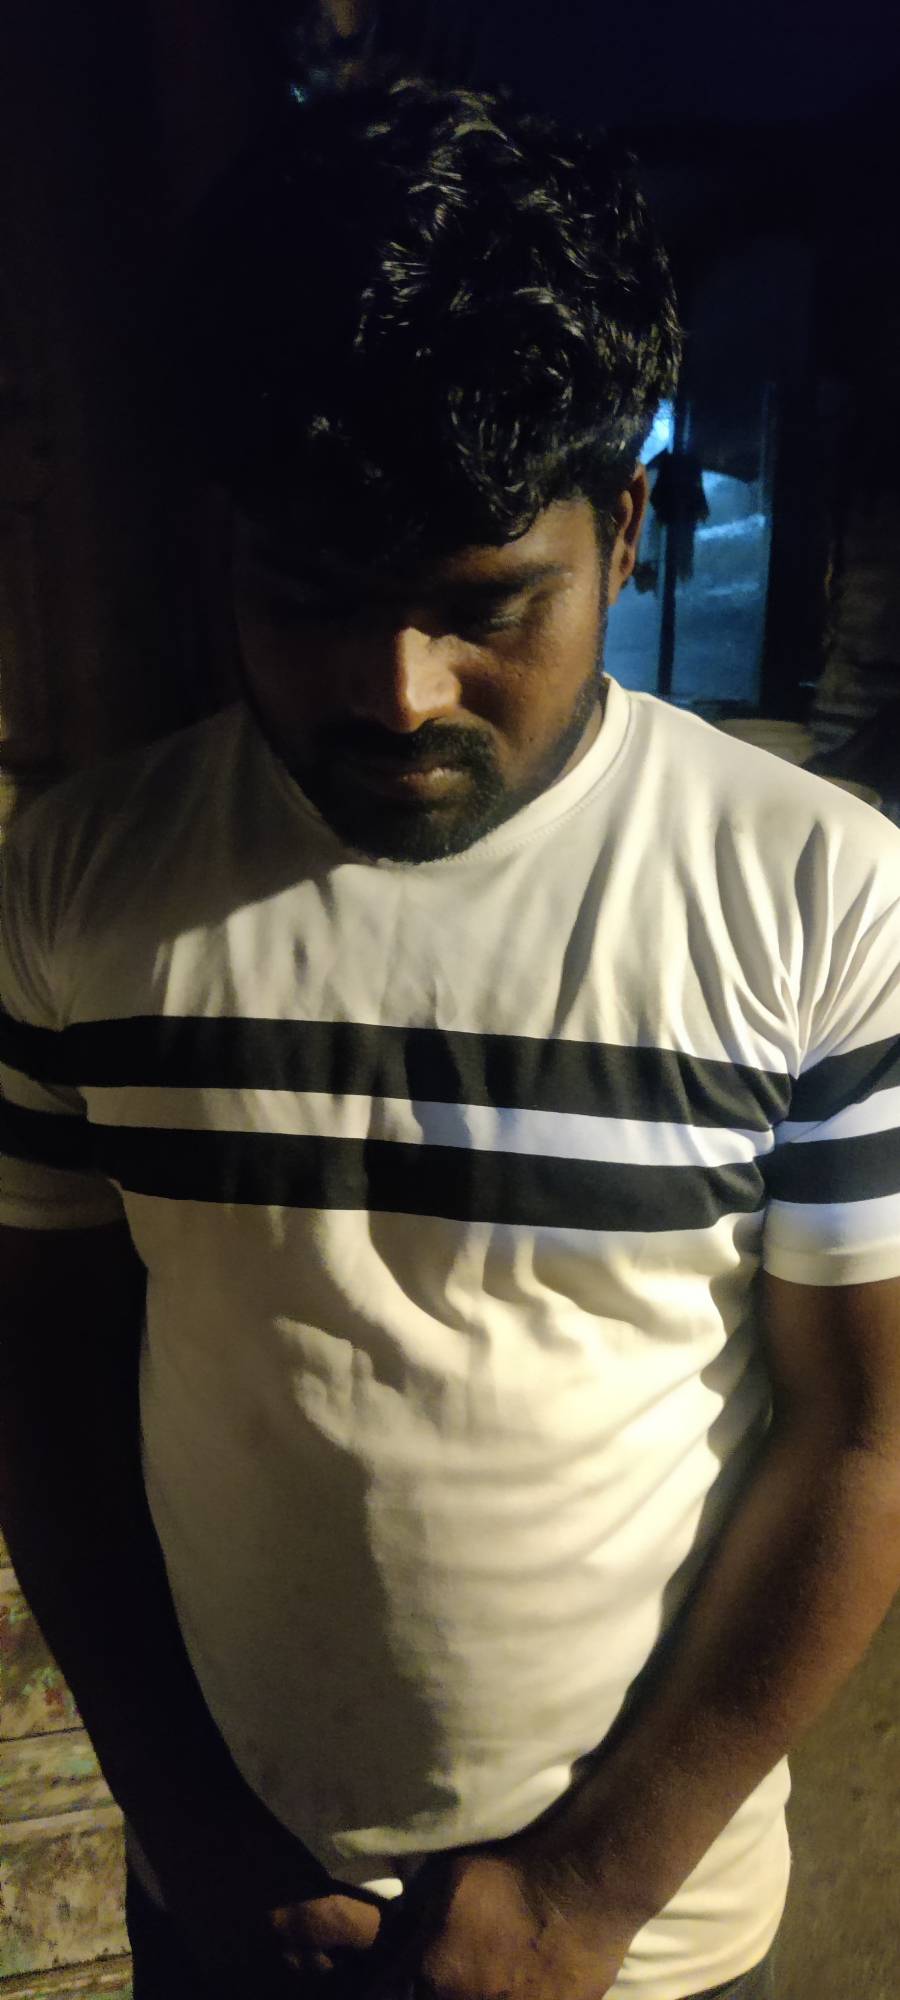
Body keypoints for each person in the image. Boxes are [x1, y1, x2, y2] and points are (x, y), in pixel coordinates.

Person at [1, 76, 899, 2000]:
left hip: (646, 1940)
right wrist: (195, 1835)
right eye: (312, 600)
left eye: (487, 605)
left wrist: (589, 1895)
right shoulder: (82, 885)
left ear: (625, 528)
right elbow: (48, 1384)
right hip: (231, 1910)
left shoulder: (817, 894)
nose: (398, 692)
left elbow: (865, 1433)